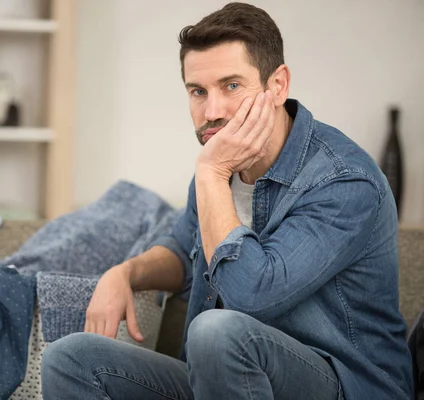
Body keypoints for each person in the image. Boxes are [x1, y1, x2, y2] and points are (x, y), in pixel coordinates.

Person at [40, 3, 414, 399]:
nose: (212, 111)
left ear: (278, 86)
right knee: (71, 359)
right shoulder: (220, 165)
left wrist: (212, 175)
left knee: (217, 330)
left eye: (231, 86)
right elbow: (184, 252)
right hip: (226, 379)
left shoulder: (343, 182)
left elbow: (253, 297)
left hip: (347, 387)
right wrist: (125, 273)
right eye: (198, 91)